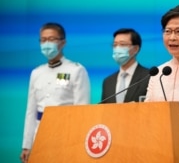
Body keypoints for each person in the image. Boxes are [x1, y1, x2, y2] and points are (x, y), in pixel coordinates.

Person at [20, 22, 90, 162]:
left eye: (52, 39)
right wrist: (26, 145)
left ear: (62, 42)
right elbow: (31, 111)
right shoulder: (36, 72)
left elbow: (82, 110)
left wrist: (77, 142)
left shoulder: (76, 70)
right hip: (39, 134)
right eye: (43, 40)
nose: (47, 44)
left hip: (65, 134)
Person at [101, 28, 149, 103]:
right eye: (115, 45)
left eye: (122, 44)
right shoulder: (108, 82)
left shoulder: (149, 77)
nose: (117, 48)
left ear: (135, 49)